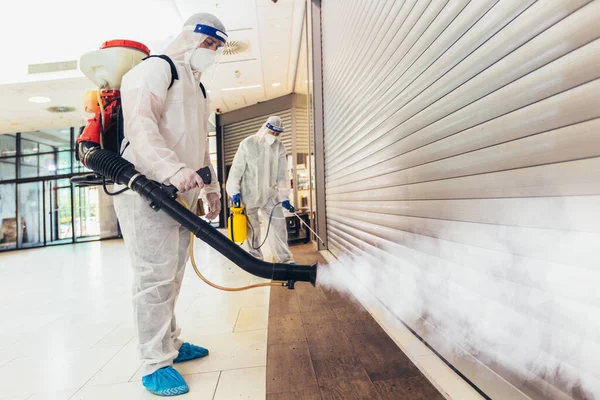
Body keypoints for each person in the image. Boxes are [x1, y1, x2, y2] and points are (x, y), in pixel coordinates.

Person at [112, 13, 226, 396]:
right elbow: (140, 127)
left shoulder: (199, 87)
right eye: (208, 43)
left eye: (217, 47)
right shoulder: (156, 70)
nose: (211, 52)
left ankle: (171, 344)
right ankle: (153, 362)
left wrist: (210, 187)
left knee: (173, 274)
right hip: (147, 190)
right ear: (189, 37)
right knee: (153, 278)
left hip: (181, 191)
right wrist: (172, 169)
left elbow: (199, 142)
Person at [226, 116, 295, 264]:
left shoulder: (279, 148)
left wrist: (285, 198)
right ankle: (256, 260)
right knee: (253, 229)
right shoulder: (248, 143)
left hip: (269, 195)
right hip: (248, 194)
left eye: (277, 133)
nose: (274, 136)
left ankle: (285, 259)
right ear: (266, 127)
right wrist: (234, 192)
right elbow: (236, 170)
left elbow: (282, 174)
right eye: (272, 132)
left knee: (278, 226)